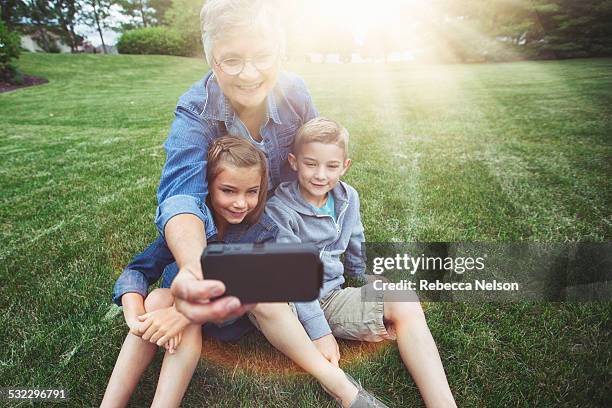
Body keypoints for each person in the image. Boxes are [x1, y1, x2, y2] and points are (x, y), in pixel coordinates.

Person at [103, 137, 386, 408]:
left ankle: (336, 384)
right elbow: (138, 270)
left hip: (234, 314)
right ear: (208, 187)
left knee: (253, 286)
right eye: (228, 190)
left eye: (251, 192)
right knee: (154, 301)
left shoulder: (264, 229)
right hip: (185, 314)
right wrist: (134, 318)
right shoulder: (191, 226)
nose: (240, 203)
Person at [137, 0, 318, 323]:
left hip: (284, 230)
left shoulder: (296, 93)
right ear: (212, 61)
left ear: (280, 54)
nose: (249, 74)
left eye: (262, 57)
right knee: (207, 309)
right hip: (226, 237)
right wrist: (196, 269)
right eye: (231, 60)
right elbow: (181, 197)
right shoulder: (195, 110)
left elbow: (317, 161)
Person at [265, 117, 458, 407]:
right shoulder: (279, 210)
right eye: (310, 164)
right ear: (293, 162)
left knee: (403, 299)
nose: (320, 175)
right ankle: (348, 394)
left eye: (331, 166)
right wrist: (321, 333)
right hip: (289, 306)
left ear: (345, 166)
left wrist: (363, 276)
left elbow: (355, 236)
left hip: (329, 296)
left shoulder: (347, 197)